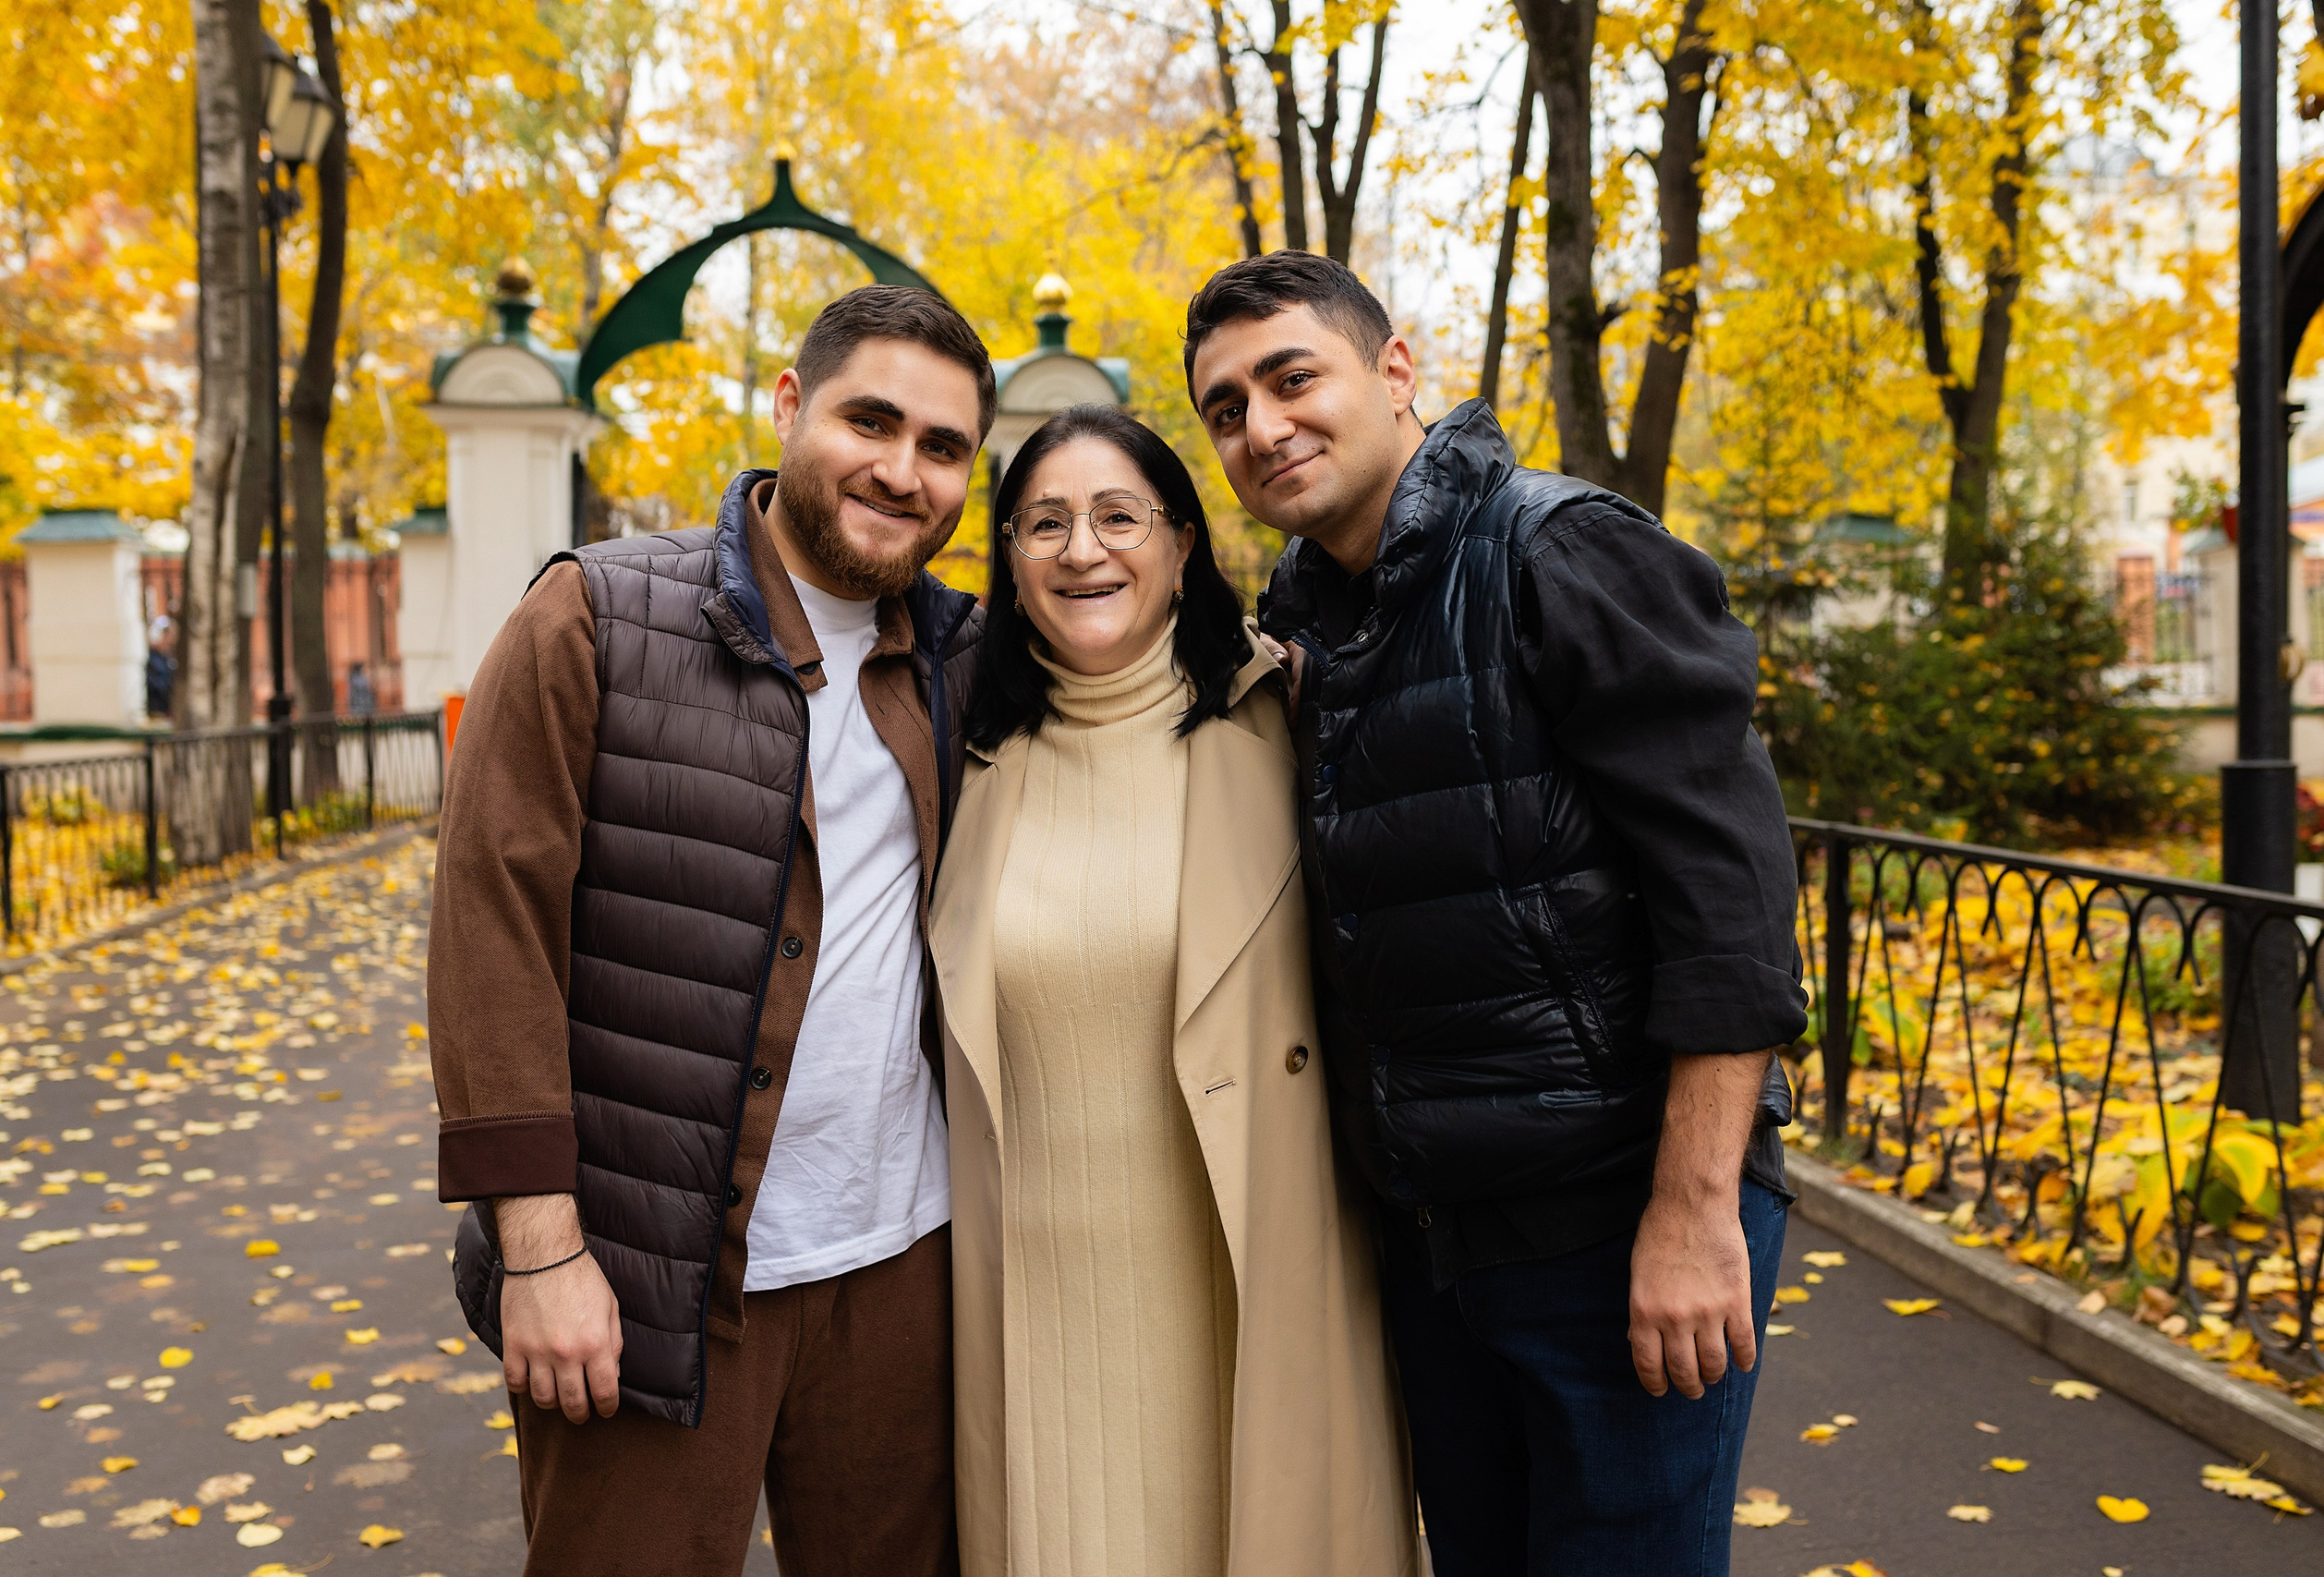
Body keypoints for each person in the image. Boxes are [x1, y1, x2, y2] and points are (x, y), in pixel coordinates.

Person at [1184, 251, 1808, 1577]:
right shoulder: (1307, 622)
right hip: (1434, 1249)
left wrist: (1694, 1209)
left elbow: (1732, 901)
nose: (1263, 427)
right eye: (1225, 409)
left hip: (1615, 1226)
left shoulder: (1561, 549)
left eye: (1292, 379)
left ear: (1395, 369)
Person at [426, 285, 992, 1576]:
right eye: (870, 421)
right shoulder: (595, 616)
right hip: (648, 1273)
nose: (902, 471)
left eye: (943, 446)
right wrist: (540, 1250)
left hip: (902, 1267)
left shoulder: (963, 655)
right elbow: (491, 932)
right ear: (789, 406)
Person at [930, 404, 1417, 1577]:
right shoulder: (955, 748)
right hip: (1032, 1306)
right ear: (1008, 561)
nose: (1082, 550)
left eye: (1118, 517)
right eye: (1043, 523)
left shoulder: (1291, 716)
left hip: (1243, 1280)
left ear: (1183, 543)